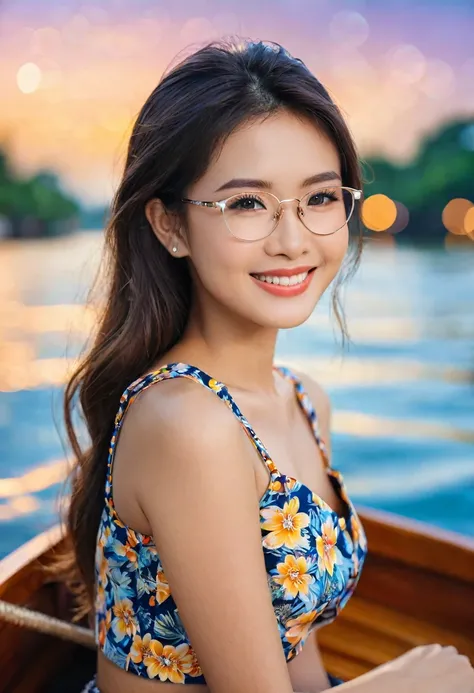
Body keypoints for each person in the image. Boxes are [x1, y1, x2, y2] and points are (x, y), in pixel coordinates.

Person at [63, 38, 474, 693]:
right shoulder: (185, 423)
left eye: (319, 198)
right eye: (247, 203)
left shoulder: (304, 400)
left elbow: (291, 642)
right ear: (170, 225)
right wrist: (412, 681)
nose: (292, 239)